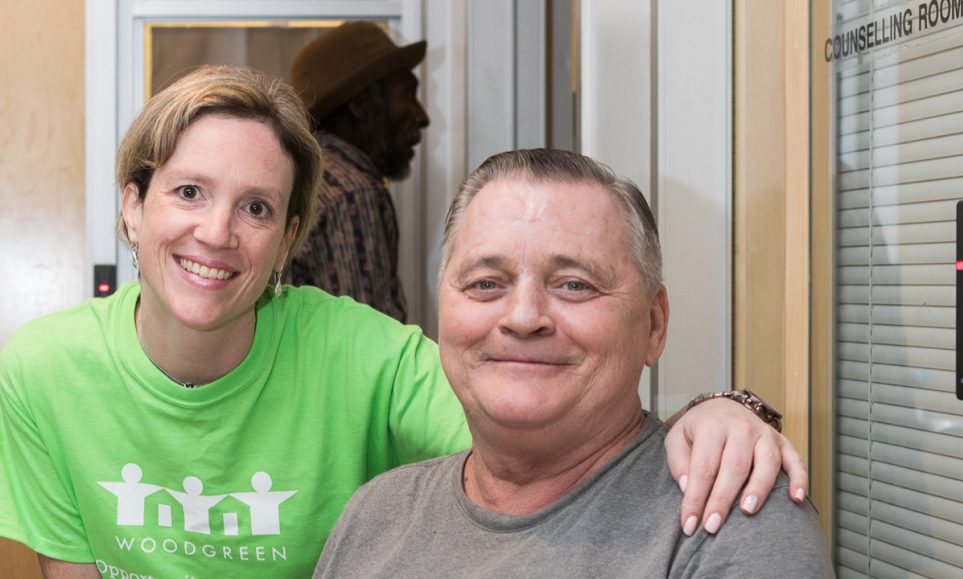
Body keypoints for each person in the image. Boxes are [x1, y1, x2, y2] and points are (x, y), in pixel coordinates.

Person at [0, 66, 802, 579]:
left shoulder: (359, 354)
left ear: (288, 242)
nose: (216, 232)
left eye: (256, 207)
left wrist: (726, 409)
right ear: (131, 207)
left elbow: (546, 419)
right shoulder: (41, 369)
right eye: (186, 193)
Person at [314, 149, 833, 578]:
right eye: (486, 283)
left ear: (654, 325)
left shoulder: (731, 521)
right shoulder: (375, 516)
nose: (522, 317)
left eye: (574, 285)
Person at [286, 21, 429, 321]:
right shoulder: (352, 195)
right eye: (408, 95)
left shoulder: (305, 177)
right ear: (362, 107)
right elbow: (370, 348)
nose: (421, 116)